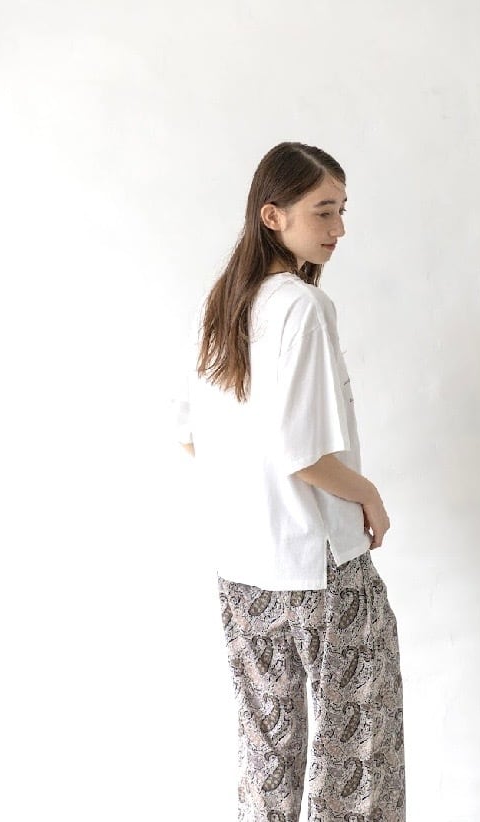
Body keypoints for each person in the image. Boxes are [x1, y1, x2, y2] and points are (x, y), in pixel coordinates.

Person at [173, 142, 406, 821]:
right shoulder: (302, 307)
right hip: (319, 569)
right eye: (323, 212)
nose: (339, 229)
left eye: (342, 210)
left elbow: (190, 433)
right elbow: (302, 455)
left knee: (266, 760)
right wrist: (368, 494)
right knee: (357, 764)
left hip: (244, 570)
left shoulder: (224, 304)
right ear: (272, 216)